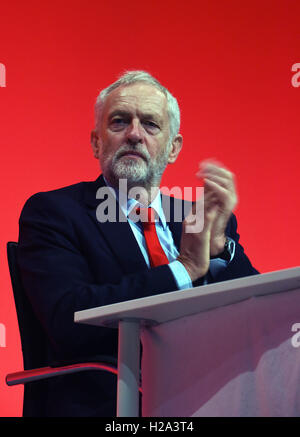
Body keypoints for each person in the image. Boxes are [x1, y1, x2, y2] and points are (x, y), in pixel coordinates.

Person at [17, 70, 259, 417]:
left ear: (173, 148)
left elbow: (255, 319)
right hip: (108, 403)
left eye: (150, 124)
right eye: (119, 122)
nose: (134, 134)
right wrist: (184, 269)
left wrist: (219, 246)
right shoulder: (55, 213)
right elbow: (69, 320)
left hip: (210, 397)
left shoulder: (200, 219)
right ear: (96, 142)